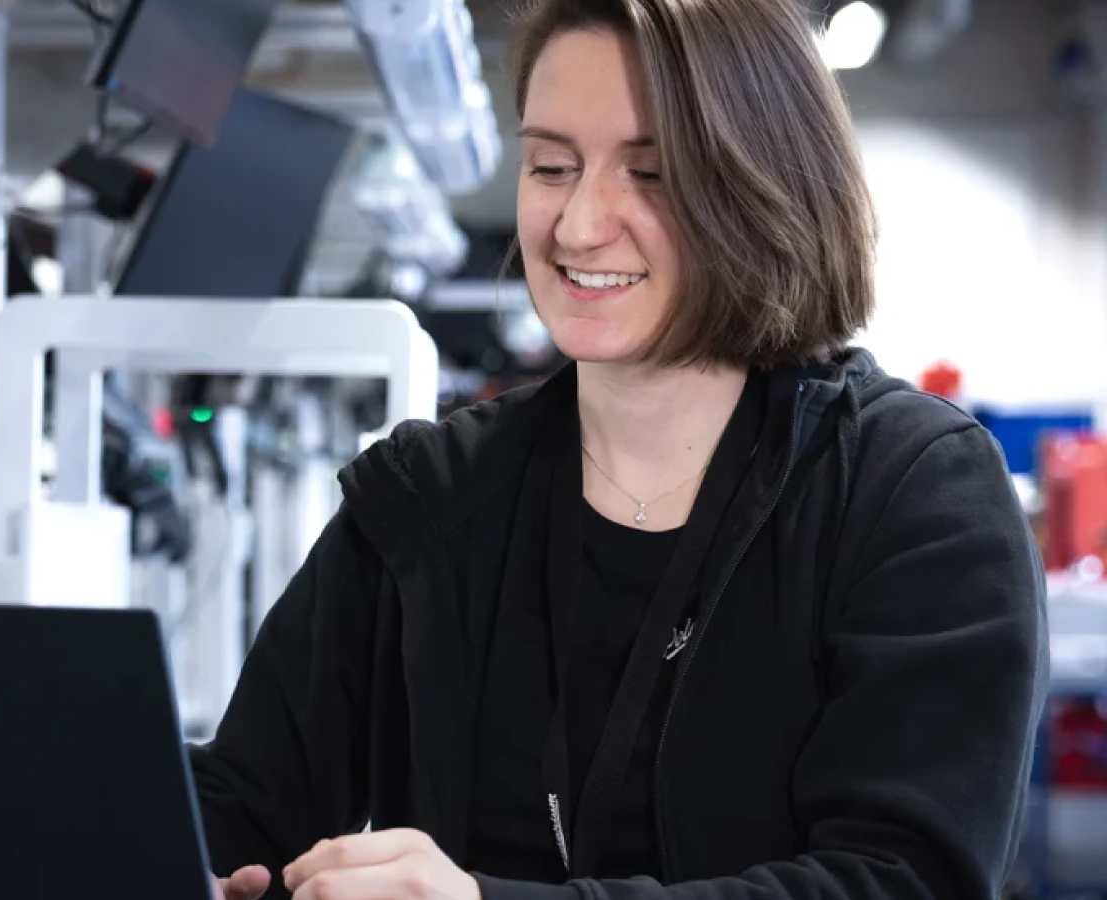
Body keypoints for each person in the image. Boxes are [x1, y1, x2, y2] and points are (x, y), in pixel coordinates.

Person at [192, 0, 1048, 897]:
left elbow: (904, 879)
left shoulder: (914, 496)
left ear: (765, 187)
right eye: (551, 166)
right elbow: (239, 802)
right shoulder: (429, 499)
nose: (578, 225)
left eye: (651, 174)